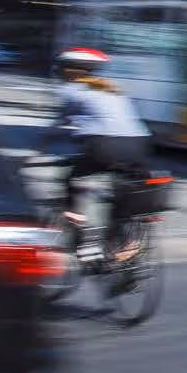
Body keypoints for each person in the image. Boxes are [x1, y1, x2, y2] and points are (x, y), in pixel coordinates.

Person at [42, 48, 154, 255]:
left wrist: (38, 151)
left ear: (67, 71)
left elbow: (58, 126)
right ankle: (126, 242)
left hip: (104, 146)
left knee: (72, 178)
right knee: (123, 190)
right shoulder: (114, 89)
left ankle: (76, 219)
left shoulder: (72, 90)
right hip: (139, 146)